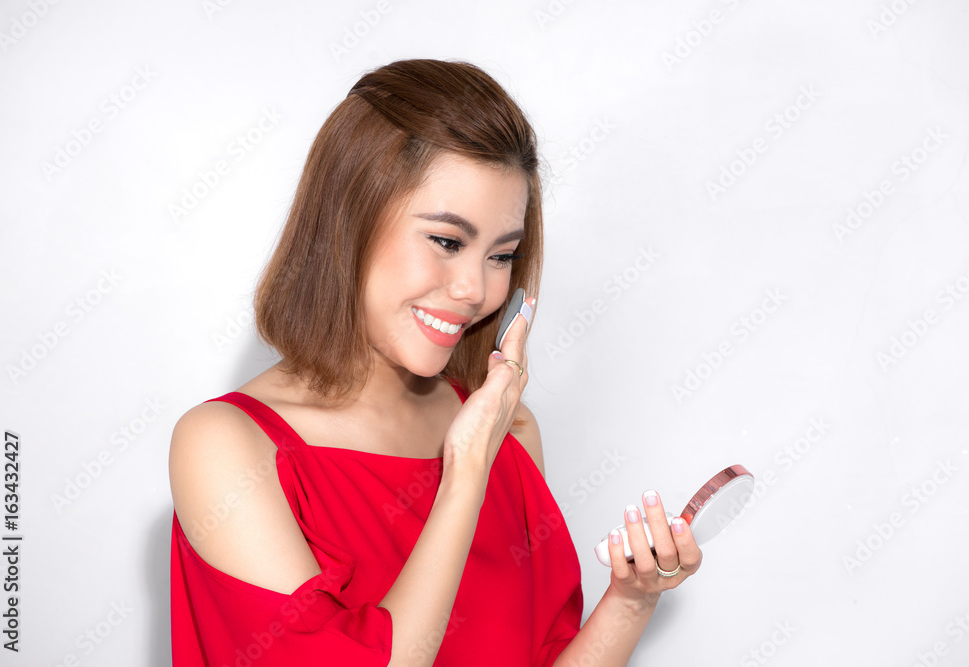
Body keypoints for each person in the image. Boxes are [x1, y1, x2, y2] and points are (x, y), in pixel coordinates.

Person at [168, 58, 702, 667]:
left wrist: (632, 600)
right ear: (350, 224)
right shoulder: (226, 446)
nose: (476, 289)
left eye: (502, 255)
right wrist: (467, 469)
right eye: (447, 242)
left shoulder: (510, 431)